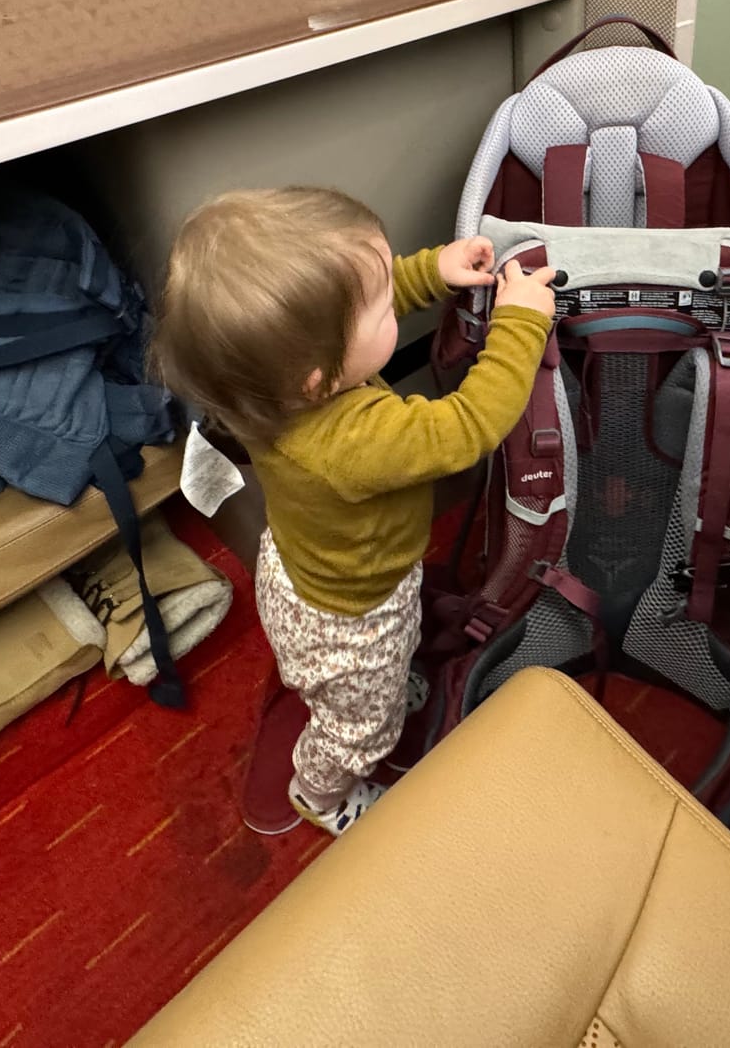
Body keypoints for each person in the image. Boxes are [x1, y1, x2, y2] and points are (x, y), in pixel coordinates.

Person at [153, 187, 557, 835]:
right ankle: (321, 792)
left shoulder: (261, 383)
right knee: (360, 726)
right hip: (354, 616)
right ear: (317, 376)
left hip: (302, 567)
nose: (389, 295)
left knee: (371, 687)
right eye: (379, 304)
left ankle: (375, 692)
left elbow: (339, 310)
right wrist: (521, 324)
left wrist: (429, 271)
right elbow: (468, 425)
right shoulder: (349, 437)